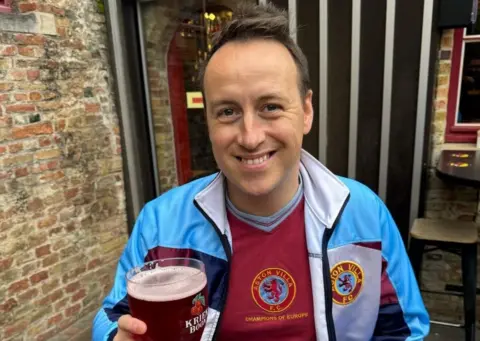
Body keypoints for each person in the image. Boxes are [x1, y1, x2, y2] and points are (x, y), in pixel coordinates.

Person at [93, 3, 430, 341]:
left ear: (307, 111)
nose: (250, 137)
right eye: (228, 111)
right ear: (207, 122)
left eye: (270, 107)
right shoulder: (161, 224)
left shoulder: (363, 214)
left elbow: (405, 331)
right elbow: (112, 318)